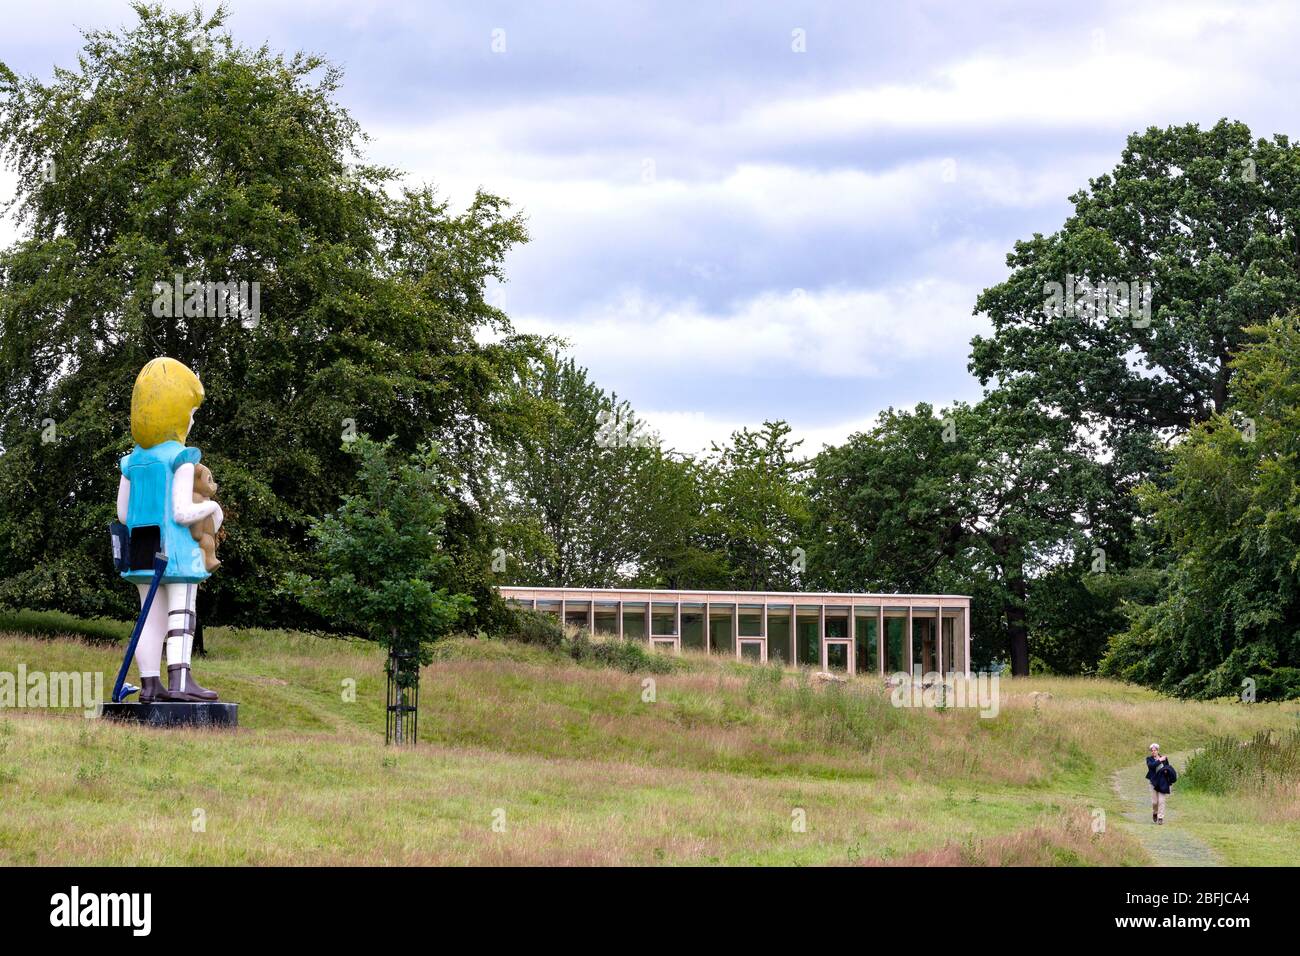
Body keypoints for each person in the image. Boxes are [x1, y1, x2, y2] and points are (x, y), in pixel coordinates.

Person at [116, 357, 223, 702]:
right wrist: (212, 508)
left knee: (150, 618)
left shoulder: (131, 461)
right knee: (183, 613)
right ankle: (180, 681)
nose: (192, 420)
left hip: (140, 549)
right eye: (190, 412)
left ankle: (150, 685)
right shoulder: (181, 457)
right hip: (175, 550)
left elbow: (121, 513)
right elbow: (181, 511)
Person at [1145, 743, 1177, 824]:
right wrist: (1160, 760)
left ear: (1158, 750)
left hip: (1162, 782)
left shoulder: (1164, 758)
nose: (1153, 752)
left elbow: (1168, 767)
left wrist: (1166, 771)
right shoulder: (1149, 759)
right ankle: (1155, 813)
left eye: (1155, 750)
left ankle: (1160, 818)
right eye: (1152, 750)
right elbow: (1151, 766)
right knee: (1154, 802)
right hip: (1153, 783)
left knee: (1161, 801)